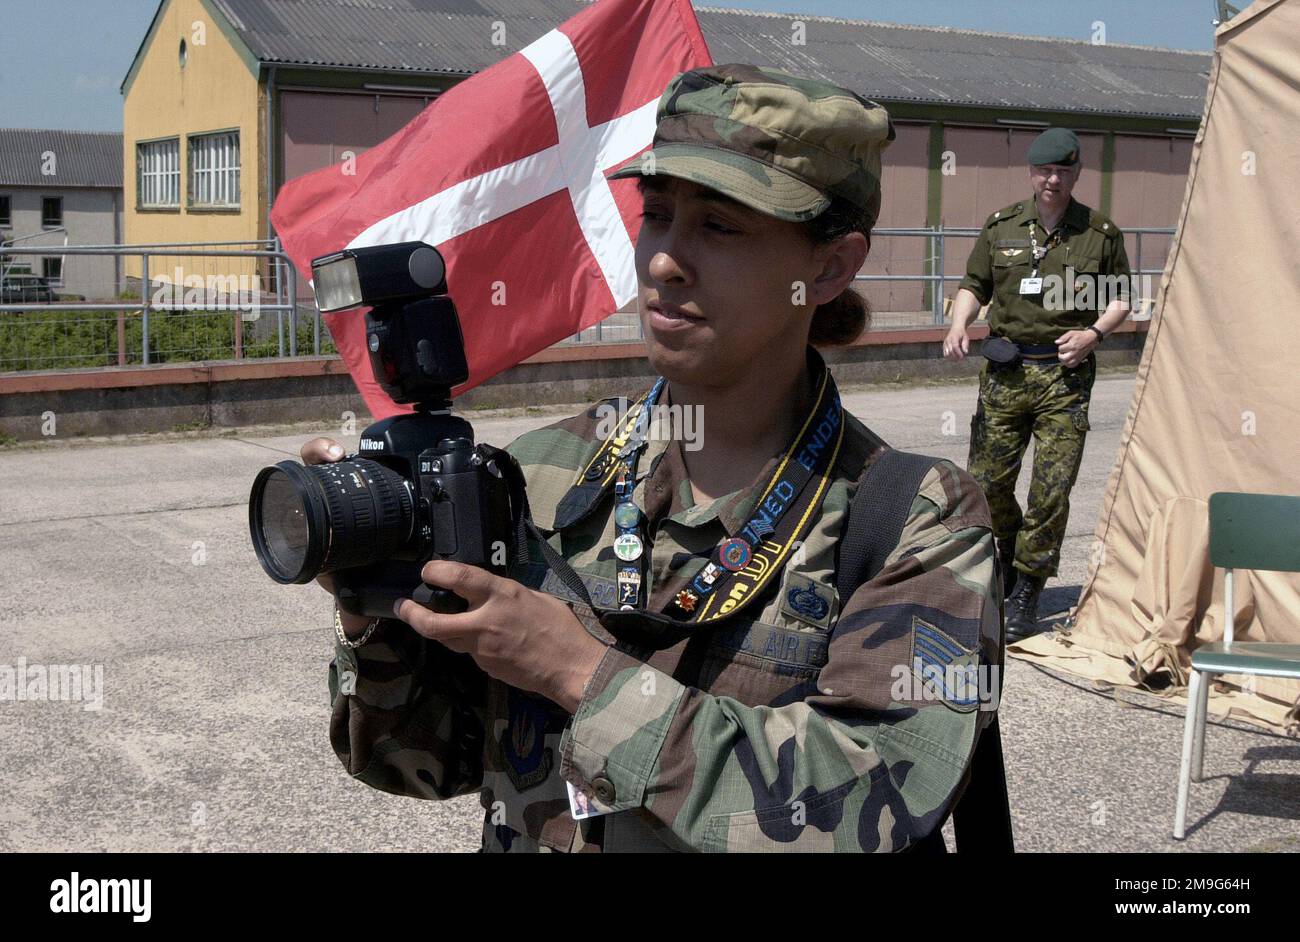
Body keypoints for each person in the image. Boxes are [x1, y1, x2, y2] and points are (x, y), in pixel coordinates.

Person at [308, 64, 1002, 852]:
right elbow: (427, 762)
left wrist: (578, 673)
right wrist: (373, 604)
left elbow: (875, 798)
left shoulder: (911, 518)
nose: (666, 260)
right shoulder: (542, 476)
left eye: (720, 226)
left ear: (831, 266)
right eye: (658, 215)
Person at [943, 128, 1131, 641]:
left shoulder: (1099, 233)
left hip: (1064, 377)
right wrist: (960, 323)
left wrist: (1094, 333)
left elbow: (1120, 300)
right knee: (987, 484)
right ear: (1031, 172)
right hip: (1005, 373)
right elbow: (973, 284)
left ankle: (1029, 586)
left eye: (1063, 171)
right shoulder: (1002, 226)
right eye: (1045, 171)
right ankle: (1006, 556)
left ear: (1076, 174)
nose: (1053, 179)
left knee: (1053, 488)